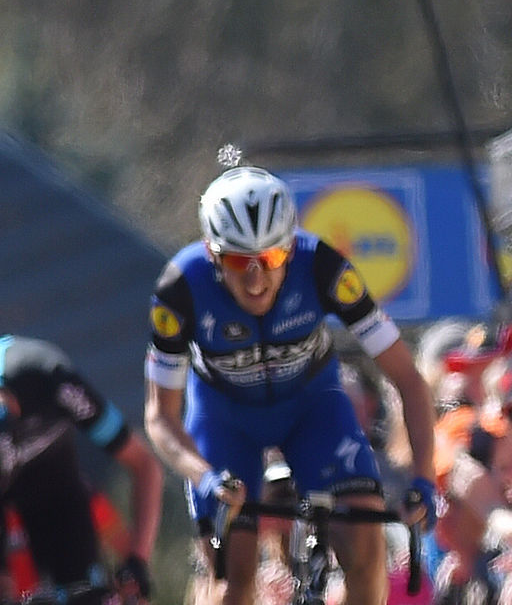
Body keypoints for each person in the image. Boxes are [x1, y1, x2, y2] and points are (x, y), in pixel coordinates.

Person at [143, 166, 436, 605]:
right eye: (240, 262)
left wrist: (424, 478)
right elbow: (159, 417)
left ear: (290, 249)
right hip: (225, 420)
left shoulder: (322, 266)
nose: (257, 279)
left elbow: (409, 379)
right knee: (233, 580)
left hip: (312, 409)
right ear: (212, 254)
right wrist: (203, 478)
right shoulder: (180, 288)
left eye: (273, 259)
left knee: (365, 546)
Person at [0, 334, 163, 604]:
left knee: (89, 595)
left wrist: (137, 561)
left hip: (58, 488)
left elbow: (144, 464)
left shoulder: (50, 378)